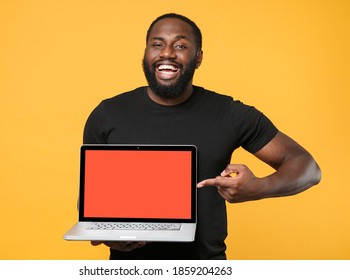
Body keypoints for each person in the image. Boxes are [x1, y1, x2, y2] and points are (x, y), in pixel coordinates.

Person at [83, 13, 321, 260]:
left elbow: (308, 168)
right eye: (157, 44)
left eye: (180, 46)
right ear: (145, 54)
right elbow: (90, 200)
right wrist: (105, 232)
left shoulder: (230, 113)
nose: (166, 53)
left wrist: (258, 187)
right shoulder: (107, 115)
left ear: (198, 58)